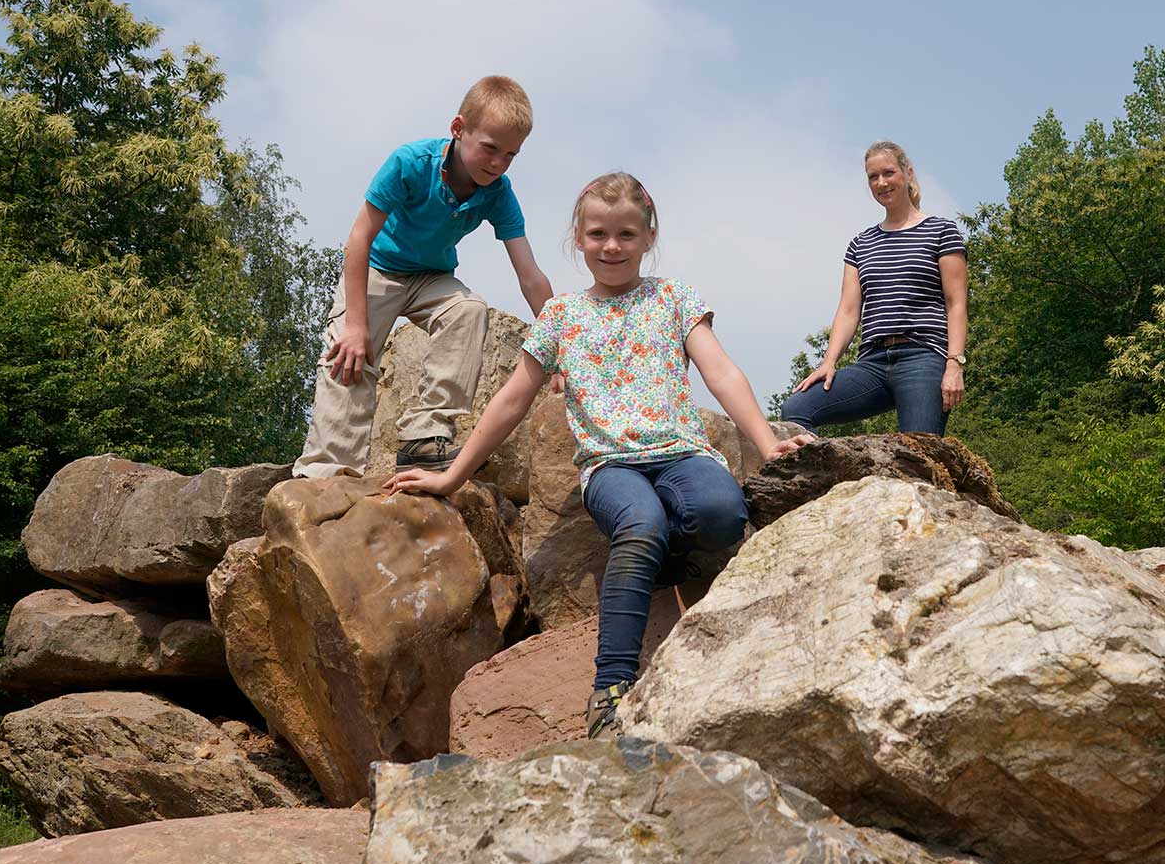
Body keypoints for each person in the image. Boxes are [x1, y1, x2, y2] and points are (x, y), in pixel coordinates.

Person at [383, 172, 811, 738]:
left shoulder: (674, 297)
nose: (612, 246)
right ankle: (611, 688)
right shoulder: (561, 316)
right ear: (579, 238)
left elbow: (722, 372)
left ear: (648, 236)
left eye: (626, 234)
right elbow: (512, 399)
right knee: (639, 523)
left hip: (681, 453)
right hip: (611, 467)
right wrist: (453, 476)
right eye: (599, 234)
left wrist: (767, 443)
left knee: (723, 513)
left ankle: (666, 557)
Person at [293, 76, 555, 478]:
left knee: (468, 310)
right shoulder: (411, 163)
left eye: (510, 155)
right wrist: (357, 324)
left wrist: (565, 348)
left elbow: (530, 275)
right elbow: (358, 241)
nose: (498, 163)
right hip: (376, 270)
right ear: (458, 129)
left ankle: (424, 438)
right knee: (349, 352)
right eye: (489, 148)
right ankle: (327, 470)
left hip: (431, 278)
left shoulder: (498, 192)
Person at [781, 140, 968, 435]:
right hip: (872, 364)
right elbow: (848, 310)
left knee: (918, 453)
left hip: (923, 357)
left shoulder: (941, 231)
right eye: (873, 177)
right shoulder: (861, 244)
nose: (881, 182)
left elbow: (956, 304)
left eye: (888, 173)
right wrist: (828, 362)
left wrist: (954, 364)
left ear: (907, 173)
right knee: (796, 409)